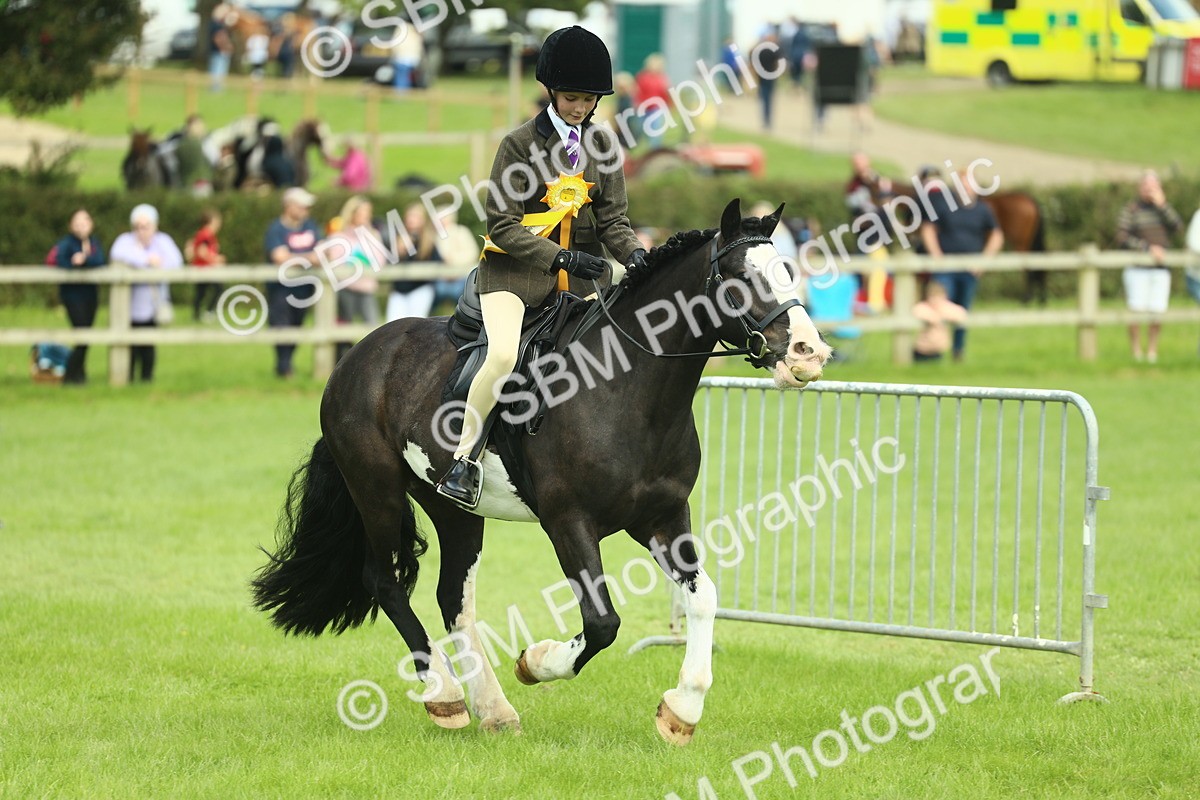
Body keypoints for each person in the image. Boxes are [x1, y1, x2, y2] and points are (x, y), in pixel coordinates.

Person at [435, 25, 647, 507]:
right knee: (505, 356)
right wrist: (560, 257)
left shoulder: (605, 147)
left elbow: (613, 220)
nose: (580, 107)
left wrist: (635, 255)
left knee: (611, 358)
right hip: (513, 277)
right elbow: (502, 226)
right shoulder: (519, 146)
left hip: (580, 283)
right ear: (551, 91)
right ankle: (463, 460)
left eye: (589, 99)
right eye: (571, 97)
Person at [919, 168, 1003, 361]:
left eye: (969, 184)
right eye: (962, 184)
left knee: (962, 311)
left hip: (969, 270)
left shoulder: (983, 209)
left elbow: (997, 235)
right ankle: (933, 350)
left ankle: (958, 351)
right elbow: (928, 229)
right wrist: (936, 256)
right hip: (945, 269)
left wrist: (984, 261)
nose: (965, 188)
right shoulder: (943, 206)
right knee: (938, 308)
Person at [110, 205, 184, 383]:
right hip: (128, 305)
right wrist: (147, 260)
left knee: (148, 344)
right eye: (138, 226)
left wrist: (155, 264)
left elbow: (175, 262)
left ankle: (146, 379)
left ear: (155, 226)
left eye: (146, 226)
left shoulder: (163, 241)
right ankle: (125, 378)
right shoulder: (125, 241)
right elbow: (117, 253)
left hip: (152, 304)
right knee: (128, 345)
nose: (141, 231)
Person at [1116, 170, 1183, 364]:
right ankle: (1136, 352)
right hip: (1137, 267)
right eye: (1146, 186)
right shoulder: (1131, 209)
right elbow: (1122, 236)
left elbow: (1178, 227)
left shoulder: (1164, 210)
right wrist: (1147, 248)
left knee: (1157, 311)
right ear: (1139, 188)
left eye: (1153, 186)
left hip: (1161, 269)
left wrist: (1163, 206)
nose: (1149, 190)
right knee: (1135, 310)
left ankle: (1152, 352)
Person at [265, 187, 322, 378]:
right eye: (302, 206)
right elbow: (279, 256)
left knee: (297, 325)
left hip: (304, 288)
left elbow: (321, 252)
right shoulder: (276, 229)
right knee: (282, 326)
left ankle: (286, 365)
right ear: (289, 206)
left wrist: (296, 258)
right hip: (281, 289)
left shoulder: (311, 226)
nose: (306, 210)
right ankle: (283, 366)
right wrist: (307, 258)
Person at [54, 210, 106, 385]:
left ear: (90, 225)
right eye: (77, 223)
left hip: (90, 295)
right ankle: (70, 375)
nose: (80, 227)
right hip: (73, 296)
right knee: (82, 335)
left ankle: (79, 376)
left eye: (84, 223)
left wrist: (85, 260)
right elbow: (60, 261)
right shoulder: (66, 244)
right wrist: (73, 262)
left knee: (85, 336)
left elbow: (100, 260)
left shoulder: (93, 243)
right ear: (71, 225)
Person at [326, 195, 381, 361]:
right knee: (344, 329)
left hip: (366, 288)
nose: (366, 216)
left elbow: (379, 261)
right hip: (346, 289)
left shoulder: (373, 235)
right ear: (352, 213)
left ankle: (373, 362)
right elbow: (337, 264)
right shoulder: (339, 237)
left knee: (373, 327)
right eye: (363, 212)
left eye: (368, 212)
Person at [386, 203, 441, 321]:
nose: (412, 220)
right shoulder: (397, 239)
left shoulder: (428, 241)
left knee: (415, 324)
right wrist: (399, 252)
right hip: (399, 290)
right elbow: (387, 265)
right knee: (392, 325)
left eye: (415, 217)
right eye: (410, 216)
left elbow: (437, 264)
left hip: (420, 288)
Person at [844, 152, 892, 254]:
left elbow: (887, 204)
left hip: (881, 233)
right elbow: (853, 207)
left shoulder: (879, 180)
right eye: (856, 164)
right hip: (863, 234)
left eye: (861, 163)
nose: (859, 166)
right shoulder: (853, 185)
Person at [912, 280, 968, 362]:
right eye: (932, 297)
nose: (935, 300)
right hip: (921, 349)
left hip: (937, 349)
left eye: (938, 297)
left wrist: (947, 316)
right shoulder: (924, 307)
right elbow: (917, 310)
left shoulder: (946, 307)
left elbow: (961, 313)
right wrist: (933, 318)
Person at [188, 210, 226, 322]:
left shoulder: (207, 235)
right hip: (204, 268)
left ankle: (197, 315)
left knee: (201, 292)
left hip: (205, 268)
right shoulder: (205, 234)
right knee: (217, 289)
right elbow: (201, 251)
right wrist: (216, 259)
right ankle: (207, 313)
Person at [635, 54, 672, 149]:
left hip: (656, 109)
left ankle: (654, 150)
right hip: (644, 108)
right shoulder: (643, 77)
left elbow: (666, 94)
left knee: (655, 132)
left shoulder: (662, 78)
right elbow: (638, 92)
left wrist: (668, 106)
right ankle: (640, 148)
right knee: (640, 130)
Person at [756, 32, 785, 131]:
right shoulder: (774, 50)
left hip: (764, 78)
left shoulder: (761, 49)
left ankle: (766, 120)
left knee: (765, 100)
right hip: (769, 78)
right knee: (768, 100)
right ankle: (767, 120)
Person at [390, 19, 424, 92]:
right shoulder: (415, 31)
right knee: (408, 77)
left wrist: (393, 54)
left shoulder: (400, 30)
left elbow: (394, 44)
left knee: (401, 77)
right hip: (413, 58)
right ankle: (406, 92)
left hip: (402, 58)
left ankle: (401, 94)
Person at [208, 4, 234, 92]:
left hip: (218, 51)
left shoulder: (217, 24)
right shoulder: (217, 25)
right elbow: (218, 38)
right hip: (219, 52)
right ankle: (216, 89)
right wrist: (224, 48)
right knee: (218, 71)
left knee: (219, 71)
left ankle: (218, 89)